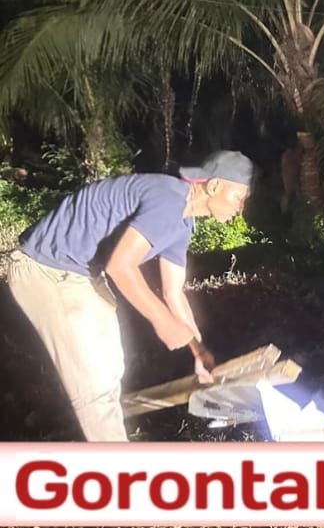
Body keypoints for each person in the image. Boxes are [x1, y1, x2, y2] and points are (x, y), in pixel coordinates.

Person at [6, 150, 255, 441]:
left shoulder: (183, 222)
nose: (240, 208)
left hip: (82, 275)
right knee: (95, 388)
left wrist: (198, 351)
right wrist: (163, 322)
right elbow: (120, 267)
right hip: (46, 270)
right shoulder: (168, 199)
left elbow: (173, 292)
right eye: (238, 198)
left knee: (111, 371)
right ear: (214, 186)